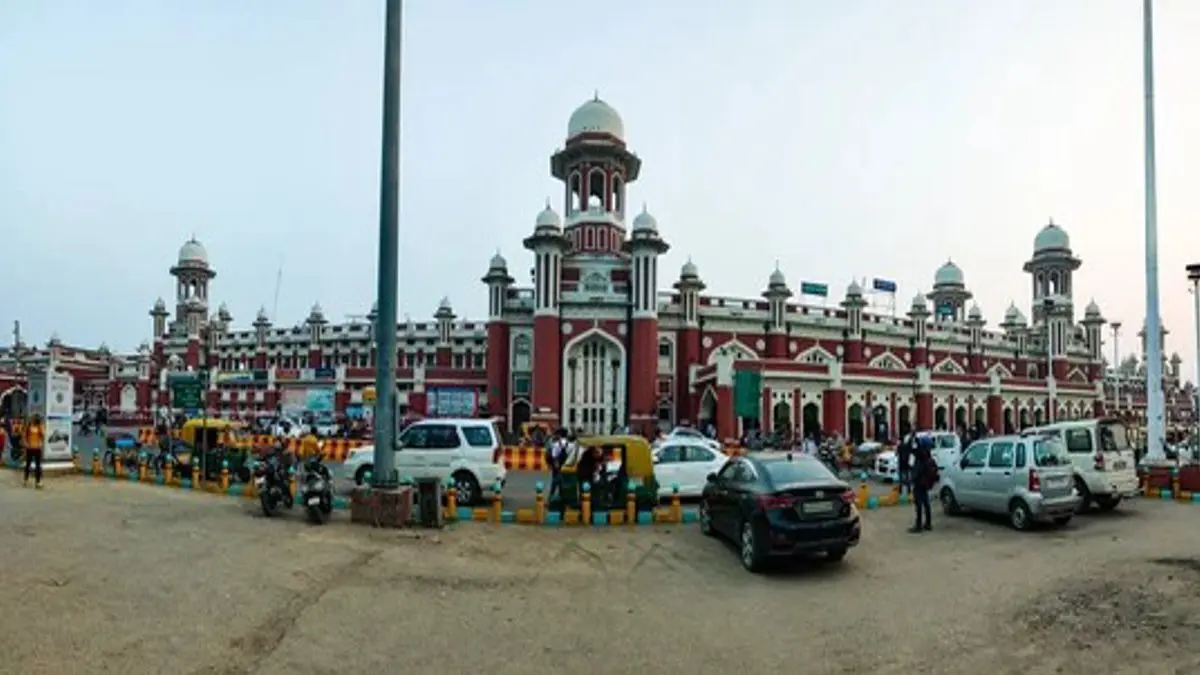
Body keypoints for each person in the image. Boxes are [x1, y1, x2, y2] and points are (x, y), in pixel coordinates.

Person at [909, 434, 938, 533]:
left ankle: (918, 525)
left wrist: (913, 478)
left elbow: (913, 453)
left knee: (918, 504)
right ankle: (928, 523)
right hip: (925, 482)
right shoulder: (927, 454)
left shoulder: (920, 455)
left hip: (919, 481)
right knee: (926, 503)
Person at [23, 414, 45, 488]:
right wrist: (26, 444)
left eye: (36, 419)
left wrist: (41, 428)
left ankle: (38, 482)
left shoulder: (40, 426)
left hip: (37, 448)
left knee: (38, 465)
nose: (34, 420)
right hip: (30, 448)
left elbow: (43, 436)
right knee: (28, 464)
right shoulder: (28, 426)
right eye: (34, 418)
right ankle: (26, 480)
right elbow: (24, 435)